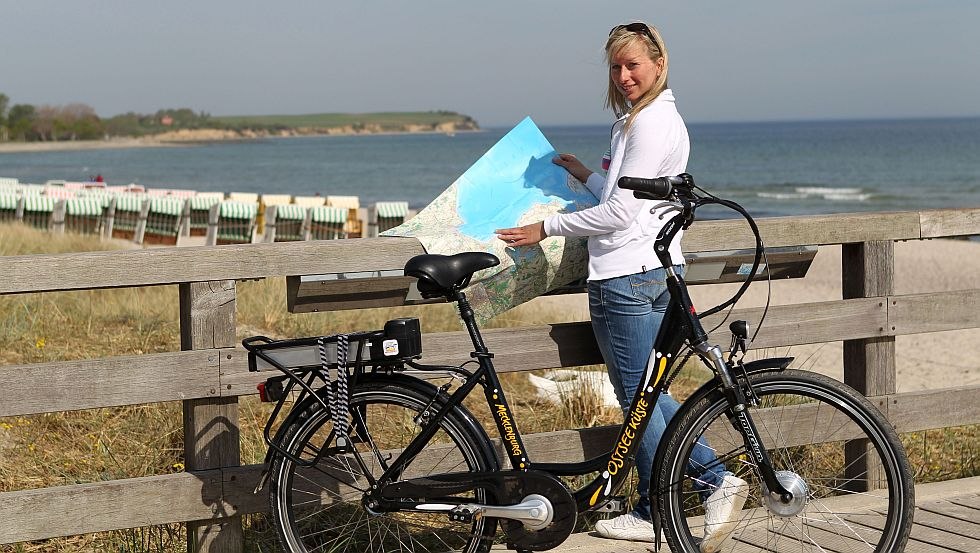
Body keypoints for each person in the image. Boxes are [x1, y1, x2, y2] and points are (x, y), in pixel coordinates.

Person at [495, 22, 746, 552]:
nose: (624, 76)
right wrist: (588, 174)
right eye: (616, 67)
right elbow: (631, 193)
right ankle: (675, 498)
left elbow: (618, 214)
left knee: (637, 401)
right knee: (652, 395)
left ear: (658, 64)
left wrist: (546, 227)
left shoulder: (646, 123)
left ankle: (697, 488)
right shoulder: (655, 118)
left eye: (633, 65)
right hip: (655, 272)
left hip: (625, 278)